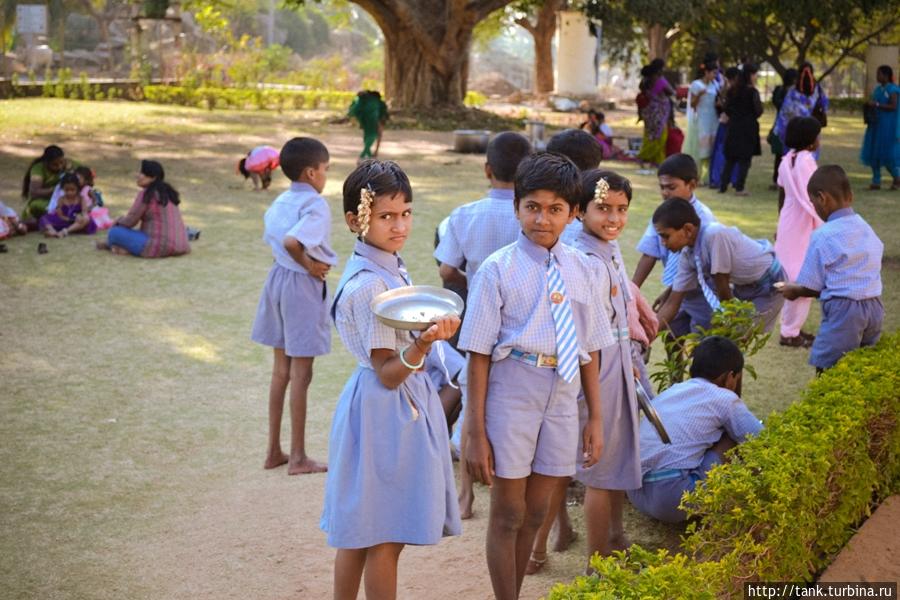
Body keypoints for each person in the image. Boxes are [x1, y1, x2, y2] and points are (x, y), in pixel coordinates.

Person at [460, 152, 614, 600]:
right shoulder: (496, 270)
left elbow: (590, 350)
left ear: (573, 213)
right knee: (507, 512)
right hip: (512, 390)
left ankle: (516, 591)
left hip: (563, 396)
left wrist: (596, 418)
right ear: (516, 207)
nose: (542, 218)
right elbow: (479, 355)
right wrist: (475, 430)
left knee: (537, 510)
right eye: (532, 206)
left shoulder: (587, 269)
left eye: (554, 209)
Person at [320, 160, 461, 600]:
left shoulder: (389, 267)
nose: (399, 226)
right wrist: (423, 344)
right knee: (383, 535)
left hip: (385, 405)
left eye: (406, 213)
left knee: (363, 527)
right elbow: (387, 373)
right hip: (387, 411)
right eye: (385, 216)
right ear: (354, 220)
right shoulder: (369, 287)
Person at [532, 170, 640, 574]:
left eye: (622, 209)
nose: (613, 217)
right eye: (603, 208)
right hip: (596, 367)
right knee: (598, 468)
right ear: (580, 212)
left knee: (609, 461)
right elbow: (589, 334)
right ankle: (596, 563)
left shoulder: (604, 248)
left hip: (614, 361)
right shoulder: (585, 258)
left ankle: (612, 539)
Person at [433, 130, 532, 519]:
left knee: (474, 399)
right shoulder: (530, 214)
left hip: (477, 318)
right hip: (523, 323)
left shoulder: (463, 215)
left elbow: (445, 268)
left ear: (486, 169)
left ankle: (466, 494)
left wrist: (472, 280)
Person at [249, 138, 335, 475]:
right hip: (301, 285)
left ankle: (274, 450)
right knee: (302, 374)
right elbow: (292, 241)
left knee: (281, 372)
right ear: (312, 172)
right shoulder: (315, 204)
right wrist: (312, 265)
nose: (326, 176)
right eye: (326, 170)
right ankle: (298, 456)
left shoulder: (281, 200)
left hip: (278, 280)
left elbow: (277, 240)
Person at [626, 336, 762, 523]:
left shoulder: (675, 389)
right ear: (731, 377)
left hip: (636, 493)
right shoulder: (724, 399)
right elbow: (760, 439)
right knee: (729, 436)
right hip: (673, 499)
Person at [780, 165, 884, 372]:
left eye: (813, 203)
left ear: (822, 198)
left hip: (845, 310)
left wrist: (794, 290)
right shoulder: (865, 227)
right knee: (863, 367)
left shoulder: (823, 235)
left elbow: (810, 286)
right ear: (851, 196)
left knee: (828, 367)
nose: (814, 208)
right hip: (874, 307)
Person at [653, 198, 786, 333]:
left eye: (666, 236)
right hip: (743, 286)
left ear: (688, 229)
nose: (663, 243)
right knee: (723, 337)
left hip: (769, 284)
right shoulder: (687, 255)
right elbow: (672, 302)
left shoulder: (714, 235)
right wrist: (647, 336)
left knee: (734, 335)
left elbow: (722, 285)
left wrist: (728, 323)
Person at [632, 154, 718, 338]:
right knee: (673, 336)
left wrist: (670, 292)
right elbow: (649, 253)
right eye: (662, 187)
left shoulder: (704, 220)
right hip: (677, 291)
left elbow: (698, 268)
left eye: (671, 187)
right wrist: (632, 291)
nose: (665, 192)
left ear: (692, 185)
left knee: (700, 341)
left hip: (702, 294)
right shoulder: (664, 213)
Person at [775, 116, 823, 347]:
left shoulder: (786, 160)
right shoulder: (807, 161)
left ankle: (791, 328)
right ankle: (790, 332)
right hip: (805, 221)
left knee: (791, 274)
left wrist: (779, 224)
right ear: (811, 141)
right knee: (803, 276)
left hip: (789, 219)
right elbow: (816, 194)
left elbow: (782, 194)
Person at [96, 160, 190, 258]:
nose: (139, 176)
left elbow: (130, 221)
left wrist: (117, 221)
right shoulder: (169, 193)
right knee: (133, 233)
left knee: (114, 232)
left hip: (159, 246)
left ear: (153, 178)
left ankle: (120, 247)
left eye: (143, 173)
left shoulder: (146, 194)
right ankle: (122, 248)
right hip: (181, 244)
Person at [719, 64, 763, 196]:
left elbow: (726, 108)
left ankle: (723, 185)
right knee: (745, 159)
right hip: (748, 127)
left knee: (730, 158)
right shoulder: (752, 92)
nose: (756, 77)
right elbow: (758, 110)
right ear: (750, 75)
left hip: (734, 126)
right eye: (755, 74)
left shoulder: (733, 90)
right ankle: (739, 187)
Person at [773, 63, 829, 158]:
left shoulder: (792, 92)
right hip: (811, 135)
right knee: (808, 165)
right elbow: (824, 106)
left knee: (792, 165)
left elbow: (783, 116)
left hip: (793, 136)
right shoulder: (818, 90)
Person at [860, 65, 900, 190]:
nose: (877, 77)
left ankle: (897, 178)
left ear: (886, 75)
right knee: (874, 153)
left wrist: (876, 104)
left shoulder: (893, 89)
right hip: (876, 124)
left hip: (887, 126)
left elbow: (893, 106)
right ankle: (876, 181)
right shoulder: (878, 89)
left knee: (888, 155)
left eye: (879, 74)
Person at [684, 62, 720, 180]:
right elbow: (692, 104)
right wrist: (699, 95)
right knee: (701, 148)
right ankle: (697, 174)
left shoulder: (715, 84)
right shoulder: (696, 85)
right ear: (706, 72)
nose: (715, 76)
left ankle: (709, 175)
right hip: (701, 118)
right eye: (713, 73)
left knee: (711, 146)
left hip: (713, 118)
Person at [637, 59, 675, 173]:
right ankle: (654, 160)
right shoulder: (660, 80)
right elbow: (671, 91)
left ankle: (648, 160)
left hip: (649, 113)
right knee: (661, 137)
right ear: (659, 69)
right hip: (659, 113)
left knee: (649, 136)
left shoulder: (645, 81)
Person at [21, 145, 74, 223]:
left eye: (61, 162)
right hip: (44, 201)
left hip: (67, 199)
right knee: (38, 206)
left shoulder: (69, 164)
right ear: (46, 162)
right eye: (55, 165)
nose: (59, 167)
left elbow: (87, 174)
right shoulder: (38, 169)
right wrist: (55, 190)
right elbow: (34, 192)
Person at [708, 67, 740, 190]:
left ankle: (717, 178)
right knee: (725, 151)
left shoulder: (722, 89)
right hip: (729, 124)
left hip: (723, 122)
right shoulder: (731, 90)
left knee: (720, 151)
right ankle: (725, 178)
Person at [38, 172, 96, 238]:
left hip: (77, 222)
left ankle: (65, 231)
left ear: (77, 188)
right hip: (63, 220)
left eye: (72, 190)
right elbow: (59, 214)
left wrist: (80, 216)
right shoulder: (61, 199)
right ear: (63, 189)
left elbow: (84, 212)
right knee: (44, 218)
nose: (69, 192)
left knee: (86, 219)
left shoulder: (81, 199)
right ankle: (52, 231)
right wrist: (68, 219)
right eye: (67, 190)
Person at [767, 68, 798, 189]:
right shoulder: (788, 92)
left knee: (781, 156)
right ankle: (780, 180)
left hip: (781, 125)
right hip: (785, 126)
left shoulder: (782, 91)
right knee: (783, 155)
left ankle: (779, 180)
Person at [348, 90, 389, 160]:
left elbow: (353, 110)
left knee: (368, 135)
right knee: (374, 135)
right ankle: (366, 153)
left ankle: (369, 153)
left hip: (365, 120)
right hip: (376, 121)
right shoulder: (377, 102)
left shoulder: (362, 102)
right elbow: (384, 112)